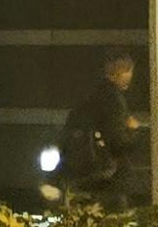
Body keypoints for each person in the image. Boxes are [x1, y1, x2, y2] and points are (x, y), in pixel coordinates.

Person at [58, 48, 142, 202]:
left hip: (82, 172)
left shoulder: (90, 95)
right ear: (120, 72)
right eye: (129, 71)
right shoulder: (115, 101)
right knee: (113, 219)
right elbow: (118, 143)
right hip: (108, 175)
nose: (131, 76)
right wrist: (133, 131)